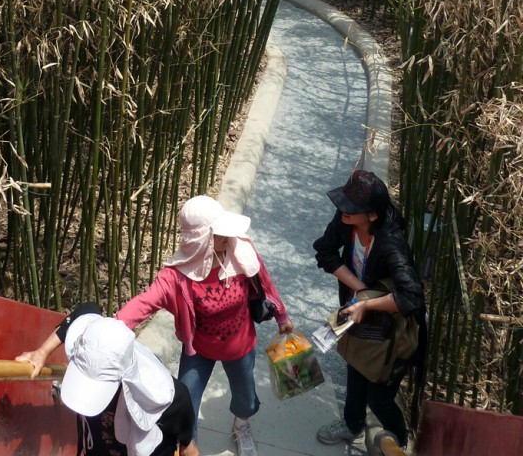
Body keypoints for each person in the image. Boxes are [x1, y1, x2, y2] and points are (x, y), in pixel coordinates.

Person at [116, 195, 294, 456]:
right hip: (199, 349)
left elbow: (264, 281)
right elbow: (143, 304)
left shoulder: (240, 250)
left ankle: (241, 425)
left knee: (246, 398)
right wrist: (108, 331)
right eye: (220, 234)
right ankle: (189, 447)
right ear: (203, 240)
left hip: (240, 345)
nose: (229, 237)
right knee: (186, 403)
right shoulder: (176, 276)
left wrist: (282, 316)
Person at [313, 169, 426, 450]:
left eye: (351, 208)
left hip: (394, 326)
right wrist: (360, 288)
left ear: (372, 215)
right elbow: (325, 251)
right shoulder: (346, 222)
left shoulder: (391, 243)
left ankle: (397, 440)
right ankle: (353, 425)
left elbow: (412, 296)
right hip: (362, 311)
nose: (342, 211)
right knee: (355, 363)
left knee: (379, 395)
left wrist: (367, 302)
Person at [17, 302, 199, 456]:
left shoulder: (167, 399)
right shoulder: (87, 342)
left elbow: (189, 449)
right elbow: (86, 309)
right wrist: (42, 351)